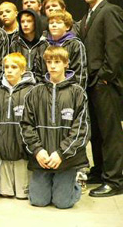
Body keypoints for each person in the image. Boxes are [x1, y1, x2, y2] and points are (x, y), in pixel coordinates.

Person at [20, 46, 90, 208]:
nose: (52, 66)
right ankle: (49, 182)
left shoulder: (77, 92)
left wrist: (61, 153)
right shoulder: (35, 92)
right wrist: (38, 150)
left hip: (66, 158)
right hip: (42, 158)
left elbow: (81, 128)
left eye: (57, 62)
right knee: (38, 201)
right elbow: (26, 125)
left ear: (66, 64)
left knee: (62, 203)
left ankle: (74, 180)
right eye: (49, 62)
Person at [79, 0, 123, 197]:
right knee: (96, 132)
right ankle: (100, 170)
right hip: (92, 82)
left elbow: (115, 47)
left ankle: (115, 180)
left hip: (104, 82)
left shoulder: (110, 11)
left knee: (110, 133)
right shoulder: (88, 15)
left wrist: (105, 75)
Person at [0, 53, 35, 199]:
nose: (9, 70)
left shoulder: (32, 91)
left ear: (22, 70)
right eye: (6, 67)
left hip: (23, 149)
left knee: (23, 195)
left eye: (14, 67)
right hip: (2, 148)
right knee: (5, 193)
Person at [44, 10, 87, 89]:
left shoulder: (75, 44)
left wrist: (77, 93)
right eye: (51, 23)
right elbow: (40, 73)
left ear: (67, 27)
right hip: (47, 91)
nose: (54, 25)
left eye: (58, 23)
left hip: (69, 91)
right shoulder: (44, 45)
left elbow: (79, 74)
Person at [10, 8, 47, 81]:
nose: (25, 24)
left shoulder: (45, 44)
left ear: (36, 23)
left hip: (41, 86)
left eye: (29, 21)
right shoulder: (15, 44)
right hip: (20, 85)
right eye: (22, 22)